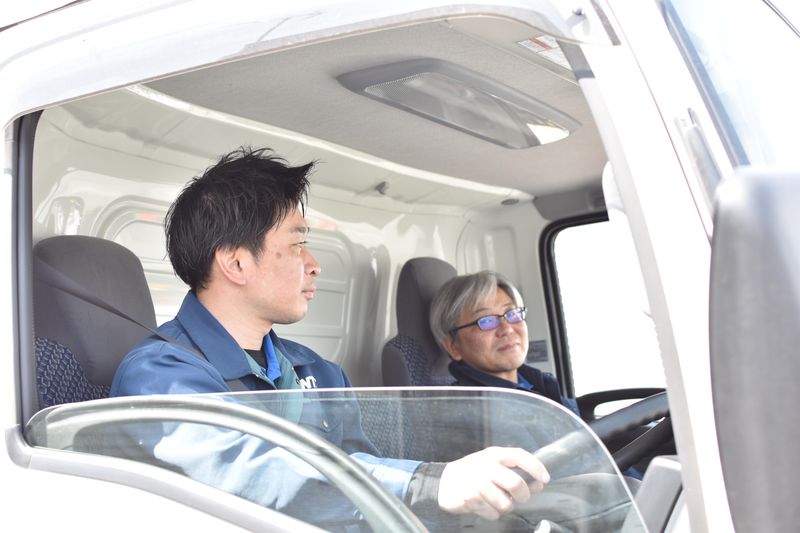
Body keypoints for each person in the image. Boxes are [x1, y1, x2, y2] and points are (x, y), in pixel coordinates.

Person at [109, 147, 551, 529]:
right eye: (297, 244)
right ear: (236, 264)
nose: (314, 264)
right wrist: (429, 484)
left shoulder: (317, 370)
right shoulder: (160, 375)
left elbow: (365, 481)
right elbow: (247, 474)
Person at [429, 271, 578, 413]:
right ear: (453, 347)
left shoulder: (535, 383)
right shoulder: (469, 413)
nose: (507, 329)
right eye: (486, 321)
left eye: (512, 313)